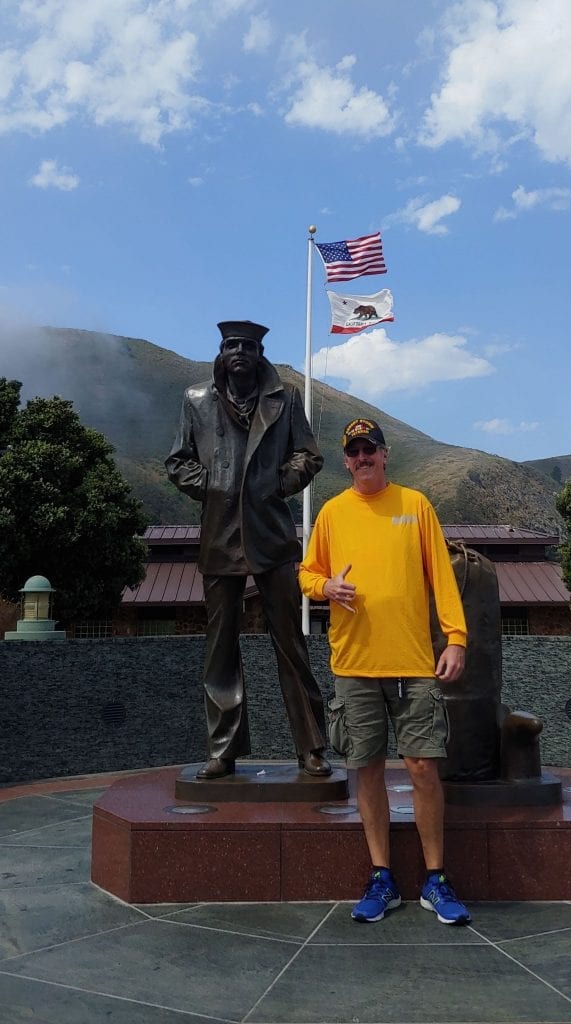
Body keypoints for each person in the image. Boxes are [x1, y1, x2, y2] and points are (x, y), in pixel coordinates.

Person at [298, 417, 470, 924]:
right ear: (346, 460)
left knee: (422, 767)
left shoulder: (415, 505)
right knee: (366, 768)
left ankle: (435, 879)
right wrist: (326, 587)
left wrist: (456, 638)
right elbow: (306, 573)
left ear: (385, 454)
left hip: (414, 661)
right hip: (354, 663)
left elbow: (442, 574)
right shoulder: (331, 513)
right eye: (354, 451)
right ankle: (382, 877)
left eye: (370, 448)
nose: (362, 457)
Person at [166, 320, 331, 779]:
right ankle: (223, 749)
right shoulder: (196, 400)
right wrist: (214, 487)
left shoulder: (286, 399)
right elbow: (177, 461)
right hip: (219, 535)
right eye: (230, 344)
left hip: (271, 535)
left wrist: (280, 483)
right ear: (221, 351)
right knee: (220, 649)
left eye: (248, 345)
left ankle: (311, 746)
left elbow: (309, 454)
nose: (238, 351)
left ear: (260, 353)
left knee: (291, 644)